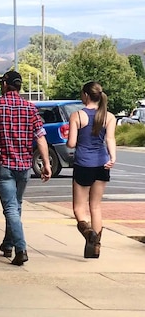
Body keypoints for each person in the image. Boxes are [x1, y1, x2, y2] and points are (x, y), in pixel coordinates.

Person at [0, 70, 51, 266]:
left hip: (3, 165)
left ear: (6, 84)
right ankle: (7, 244)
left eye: (2, 83)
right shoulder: (30, 108)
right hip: (24, 165)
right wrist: (46, 163)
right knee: (15, 207)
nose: (0, 86)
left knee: (10, 208)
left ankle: (21, 248)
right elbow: (40, 137)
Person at [66, 81, 116, 259]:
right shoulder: (109, 116)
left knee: (79, 209)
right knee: (95, 206)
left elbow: (71, 143)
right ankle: (96, 247)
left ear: (86, 95)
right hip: (102, 163)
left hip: (83, 164)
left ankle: (89, 234)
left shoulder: (77, 116)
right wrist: (113, 158)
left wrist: (70, 140)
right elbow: (110, 139)